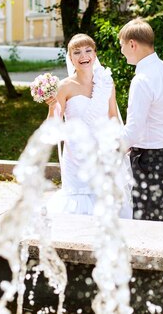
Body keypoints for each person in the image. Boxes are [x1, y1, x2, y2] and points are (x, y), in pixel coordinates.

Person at [45, 33, 132, 218]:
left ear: (95, 54)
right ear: (70, 58)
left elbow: (113, 117)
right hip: (76, 156)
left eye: (88, 50)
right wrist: (53, 107)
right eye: (77, 52)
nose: (83, 56)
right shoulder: (64, 87)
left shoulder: (106, 82)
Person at [119, 18, 163, 222]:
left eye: (122, 46)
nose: (122, 51)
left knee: (145, 215)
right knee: (161, 209)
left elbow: (134, 129)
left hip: (146, 157)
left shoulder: (142, 80)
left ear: (132, 44)